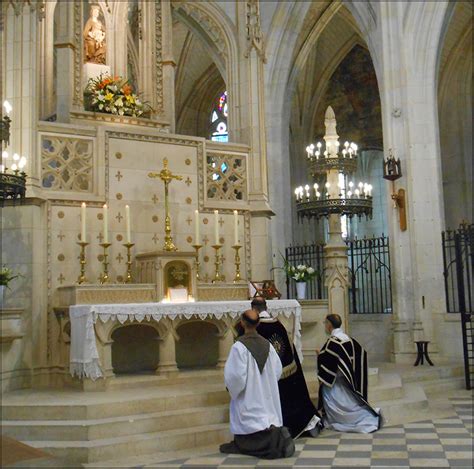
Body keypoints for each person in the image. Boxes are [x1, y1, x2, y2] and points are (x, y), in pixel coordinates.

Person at [220, 309, 295, 459]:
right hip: (266, 399)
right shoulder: (268, 345)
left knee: (250, 422)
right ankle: (275, 438)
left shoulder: (239, 347)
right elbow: (277, 370)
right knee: (266, 419)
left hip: (249, 398)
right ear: (258, 323)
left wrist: (232, 389)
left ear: (242, 323)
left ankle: (262, 445)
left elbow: (235, 378)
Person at [250, 297, 322, 438]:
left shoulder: (254, 329)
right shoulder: (279, 325)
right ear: (266, 307)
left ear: (253, 309)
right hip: (285, 374)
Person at [316, 313, 383, 433]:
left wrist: (319, 355)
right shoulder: (349, 339)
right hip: (347, 382)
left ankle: (364, 418)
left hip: (336, 383)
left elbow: (327, 362)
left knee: (330, 396)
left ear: (329, 325)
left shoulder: (332, 342)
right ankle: (368, 415)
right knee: (351, 402)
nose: (325, 326)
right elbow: (360, 353)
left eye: (325, 323)